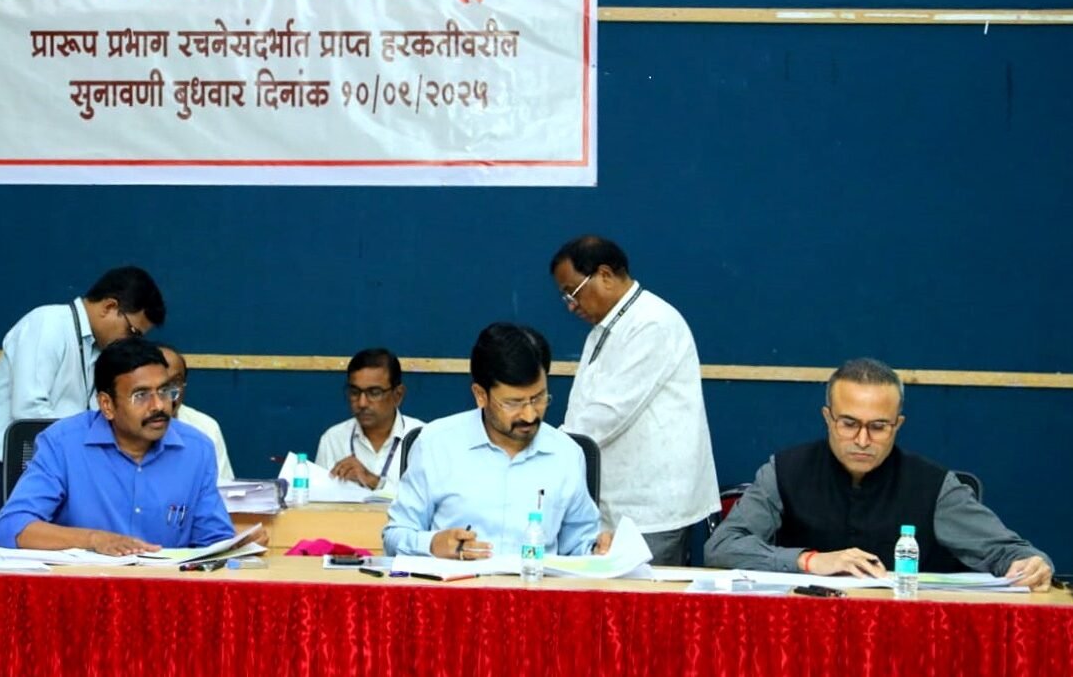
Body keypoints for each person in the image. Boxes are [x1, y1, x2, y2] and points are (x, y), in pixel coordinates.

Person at [705, 358, 1055, 589]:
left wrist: (1031, 565)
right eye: (849, 424)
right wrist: (809, 561)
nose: (862, 440)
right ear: (828, 418)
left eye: (877, 427)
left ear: (897, 425)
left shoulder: (934, 487)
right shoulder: (783, 471)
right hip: (803, 633)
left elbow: (1012, 552)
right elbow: (721, 547)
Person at [0, 266, 166, 546]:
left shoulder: (100, 350)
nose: (132, 342)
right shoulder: (47, 324)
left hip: (57, 475)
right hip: (1, 473)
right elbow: (29, 412)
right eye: (132, 331)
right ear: (109, 307)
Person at [0, 338, 262, 554]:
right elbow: (12, 528)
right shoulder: (62, 444)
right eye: (141, 395)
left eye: (165, 391)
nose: (159, 405)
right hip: (84, 589)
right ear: (107, 405)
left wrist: (237, 545)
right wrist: (94, 540)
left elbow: (212, 540)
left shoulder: (196, 449)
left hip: (164, 592)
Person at [550, 234, 719, 566]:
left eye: (573, 292)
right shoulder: (610, 325)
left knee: (643, 596)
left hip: (649, 510)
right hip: (614, 504)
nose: (571, 305)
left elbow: (608, 413)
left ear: (605, 275)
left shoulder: (652, 323)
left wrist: (548, 449)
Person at [383, 323, 600, 559]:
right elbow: (395, 536)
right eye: (513, 403)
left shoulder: (567, 454)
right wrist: (432, 544)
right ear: (480, 395)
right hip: (459, 581)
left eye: (538, 398)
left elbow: (580, 546)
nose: (529, 415)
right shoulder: (436, 444)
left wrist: (598, 550)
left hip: (534, 580)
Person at [314, 348, 424, 495]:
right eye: (354, 392)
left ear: (398, 395)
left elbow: (433, 502)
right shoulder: (333, 440)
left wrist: (374, 482)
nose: (362, 403)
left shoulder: (423, 439)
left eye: (374, 393)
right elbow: (318, 501)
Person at [158, 345, 234, 483]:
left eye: (175, 382)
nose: (169, 394)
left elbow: (222, 489)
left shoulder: (206, 428)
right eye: (160, 385)